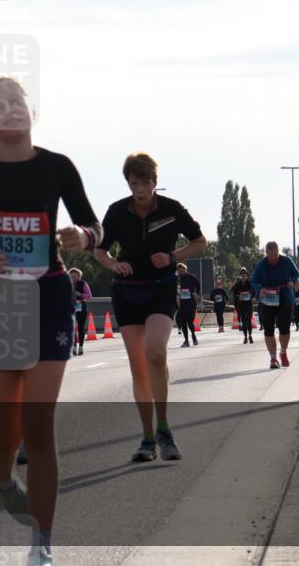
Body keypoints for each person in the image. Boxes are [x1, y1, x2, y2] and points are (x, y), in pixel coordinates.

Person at [0, 76, 102, 566]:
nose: (9, 110)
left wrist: (83, 237)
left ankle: (42, 542)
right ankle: (5, 477)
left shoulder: (57, 167)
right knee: (5, 433)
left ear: (31, 110)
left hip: (49, 294)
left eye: (16, 102)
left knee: (39, 425)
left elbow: (94, 224)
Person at [93, 152, 207, 463]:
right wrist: (115, 265)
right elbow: (100, 251)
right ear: (128, 183)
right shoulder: (117, 211)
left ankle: (164, 428)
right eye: (134, 183)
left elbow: (200, 242)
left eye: (145, 183)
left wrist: (173, 257)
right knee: (139, 367)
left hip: (161, 288)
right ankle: (146, 438)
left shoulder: (172, 209)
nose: (139, 189)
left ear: (155, 183)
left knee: (155, 352)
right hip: (127, 292)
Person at [251, 242, 299, 369]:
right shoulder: (261, 265)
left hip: (285, 297)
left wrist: (293, 281)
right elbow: (254, 281)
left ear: (278, 252)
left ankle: (283, 352)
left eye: (275, 255)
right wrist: (259, 289)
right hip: (268, 299)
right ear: (266, 253)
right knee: (268, 329)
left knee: (284, 328)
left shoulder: (287, 261)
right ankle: (273, 358)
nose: (273, 258)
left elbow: (296, 274)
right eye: (270, 255)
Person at [176, 263, 200, 347]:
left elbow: (198, 285)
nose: (180, 272)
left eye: (181, 270)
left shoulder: (191, 277)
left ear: (185, 270)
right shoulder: (178, 279)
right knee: (183, 323)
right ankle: (186, 341)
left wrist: (196, 293)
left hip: (191, 303)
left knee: (190, 322)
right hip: (182, 304)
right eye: (178, 271)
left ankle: (193, 336)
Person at [69, 267, 92, 355]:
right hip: (71, 307)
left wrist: (80, 294)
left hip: (81, 306)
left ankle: (81, 347)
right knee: (72, 328)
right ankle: (74, 347)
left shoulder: (83, 283)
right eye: (71, 277)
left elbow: (89, 296)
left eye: (75, 276)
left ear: (79, 276)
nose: (73, 278)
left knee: (80, 328)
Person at [232, 268, 255, 344]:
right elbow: (234, 294)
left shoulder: (250, 283)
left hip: (248, 304)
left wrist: (252, 296)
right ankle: (245, 337)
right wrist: (239, 295)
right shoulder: (238, 284)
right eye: (242, 274)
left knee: (248, 321)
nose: (243, 275)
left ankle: (250, 336)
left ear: (246, 275)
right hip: (241, 304)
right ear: (240, 275)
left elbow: (254, 292)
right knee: (244, 321)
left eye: (244, 274)